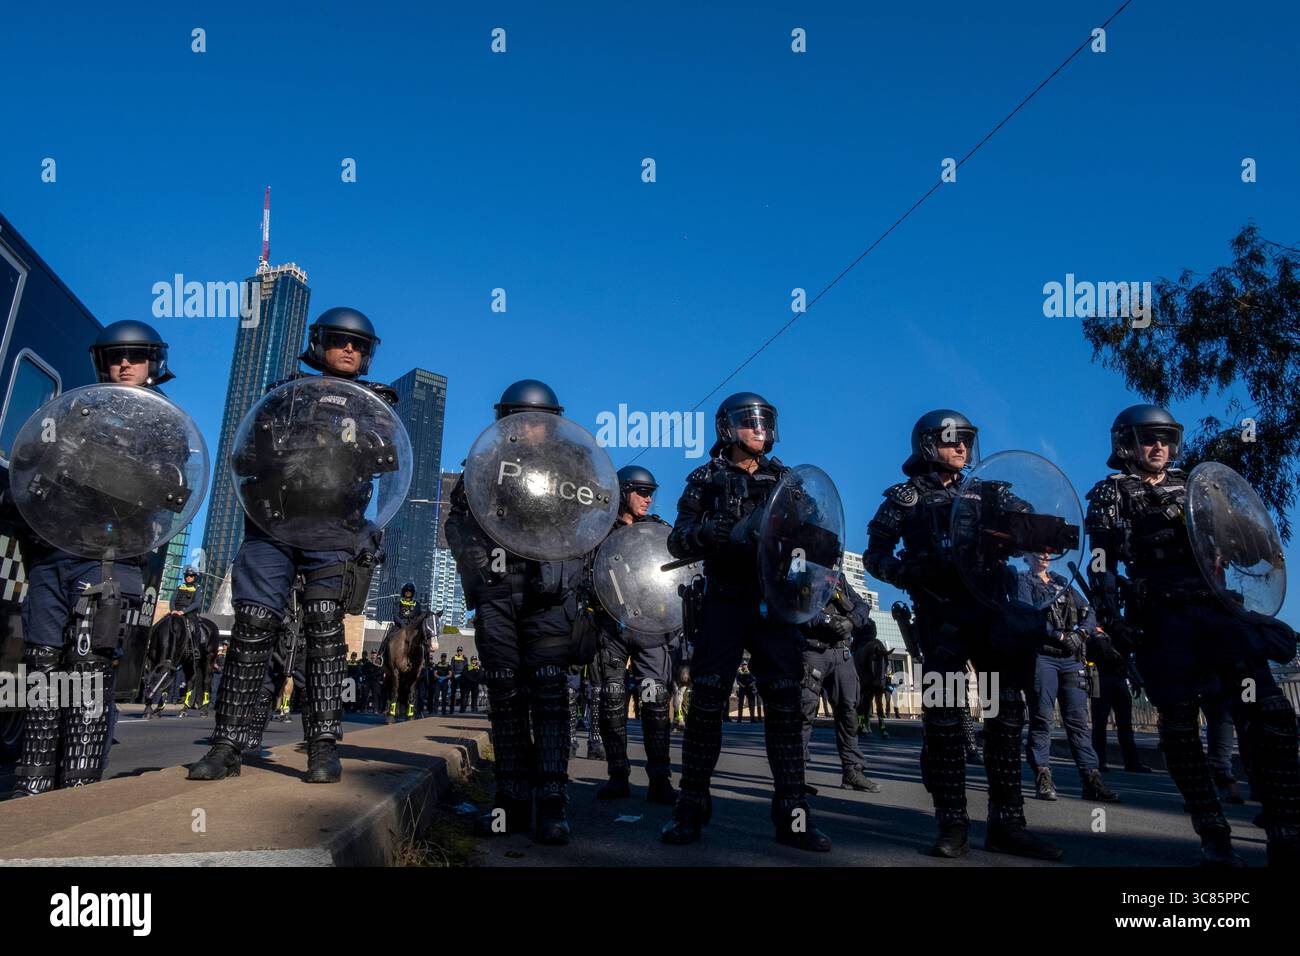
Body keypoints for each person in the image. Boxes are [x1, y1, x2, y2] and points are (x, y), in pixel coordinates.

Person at [1085, 404, 1300, 865]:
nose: (1158, 446)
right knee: (1181, 728)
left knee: (1273, 714)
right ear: (1127, 444)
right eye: (1148, 438)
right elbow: (1101, 564)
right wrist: (1112, 618)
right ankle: (1212, 830)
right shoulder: (1111, 494)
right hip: (1165, 621)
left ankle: (1285, 825)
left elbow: (1247, 545)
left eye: (1164, 438)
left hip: (1221, 616)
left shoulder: (1198, 487)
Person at [189, 307, 395, 784]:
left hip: (331, 529)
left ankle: (322, 745)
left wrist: (336, 439)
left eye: (359, 345)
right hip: (273, 524)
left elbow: (386, 454)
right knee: (254, 623)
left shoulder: (374, 403)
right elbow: (246, 454)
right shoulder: (283, 393)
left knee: (325, 629)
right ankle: (227, 744)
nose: (349, 349)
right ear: (319, 342)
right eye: (341, 341)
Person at [865, 409, 1062, 860]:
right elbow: (875, 555)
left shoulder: (990, 491)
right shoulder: (905, 498)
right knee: (948, 723)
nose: (962, 448)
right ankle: (952, 824)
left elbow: (1029, 527)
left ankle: (1008, 825)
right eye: (953, 440)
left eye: (967, 440)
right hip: (945, 619)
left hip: (994, 619)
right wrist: (911, 571)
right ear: (928, 445)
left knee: (1005, 720)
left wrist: (1036, 530)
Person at [9, 320, 180, 794]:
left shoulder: (163, 423)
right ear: (100, 362)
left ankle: (78, 788)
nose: (124, 363)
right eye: (114, 356)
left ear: (153, 363)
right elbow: (32, 467)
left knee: (87, 673)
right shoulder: (73, 412)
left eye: (136, 355)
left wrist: (102, 467)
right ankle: (35, 787)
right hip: (53, 555)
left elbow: (170, 490)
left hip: (108, 559)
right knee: (42, 670)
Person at [660, 391, 831, 852]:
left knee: (785, 705)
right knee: (708, 699)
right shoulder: (706, 477)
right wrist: (707, 533)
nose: (760, 430)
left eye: (765, 422)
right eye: (749, 422)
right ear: (727, 428)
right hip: (724, 600)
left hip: (774, 606)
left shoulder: (788, 480)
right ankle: (690, 809)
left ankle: (793, 818)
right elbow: (677, 541)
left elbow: (815, 541)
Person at [445, 379, 587, 844]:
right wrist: (478, 564)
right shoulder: (483, 465)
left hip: (549, 594)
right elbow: (457, 523)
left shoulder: (575, 468)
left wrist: (571, 567)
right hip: (499, 593)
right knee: (505, 696)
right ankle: (508, 802)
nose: (530, 429)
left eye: (540, 422)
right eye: (520, 420)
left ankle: (551, 804)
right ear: (505, 421)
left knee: (550, 695)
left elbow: (593, 526)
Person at [590, 465, 677, 805]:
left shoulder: (657, 531)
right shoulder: (599, 529)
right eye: (642, 491)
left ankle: (660, 779)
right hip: (611, 626)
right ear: (623, 491)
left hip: (651, 629)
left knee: (655, 701)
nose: (648, 498)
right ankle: (617, 775)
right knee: (611, 699)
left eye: (651, 492)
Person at [1017, 553, 1118, 804]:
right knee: (1042, 718)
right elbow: (1026, 614)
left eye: (1049, 550)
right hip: (1044, 656)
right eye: (1039, 550)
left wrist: (1082, 633)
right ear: (1028, 556)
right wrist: (1059, 636)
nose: (1045, 555)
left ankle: (1091, 778)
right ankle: (1043, 774)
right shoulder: (1023, 581)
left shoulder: (1062, 581)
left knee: (1078, 721)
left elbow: (1088, 611)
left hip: (1072, 658)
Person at [799, 572, 880, 792]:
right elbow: (798, 605)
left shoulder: (838, 578)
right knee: (805, 710)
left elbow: (862, 605)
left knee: (849, 711)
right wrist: (829, 621)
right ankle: (795, 774)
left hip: (841, 652)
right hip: (813, 650)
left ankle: (852, 771)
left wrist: (851, 621)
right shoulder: (803, 572)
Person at [450, 646, 469, 712]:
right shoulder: (453, 658)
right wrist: (453, 675)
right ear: (457, 651)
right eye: (458, 650)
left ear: (462, 651)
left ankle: (462, 709)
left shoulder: (465, 658)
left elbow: (466, 668)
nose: (459, 652)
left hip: (462, 677)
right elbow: (452, 667)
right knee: (453, 693)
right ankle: (451, 709)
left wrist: (463, 676)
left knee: (463, 694)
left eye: (460, 650)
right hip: (455, 677)